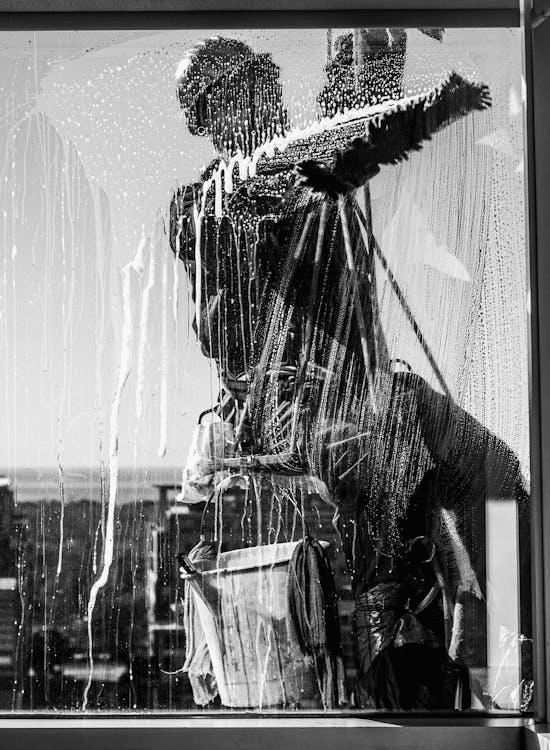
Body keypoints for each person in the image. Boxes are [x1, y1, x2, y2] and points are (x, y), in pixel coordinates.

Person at [170, 33, 532, 710]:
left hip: (365, 394)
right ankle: (409, 681)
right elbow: (324, 150)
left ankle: (512, 634)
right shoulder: (221, 195)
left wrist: (375, 48)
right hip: (299, 411)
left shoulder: (290, 172)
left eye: (269, 83)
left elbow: (336, 132)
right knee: (392, 519)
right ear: (218, 114)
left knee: (495, 474)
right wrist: (424, 100)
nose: (272, 97)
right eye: (255, 88)